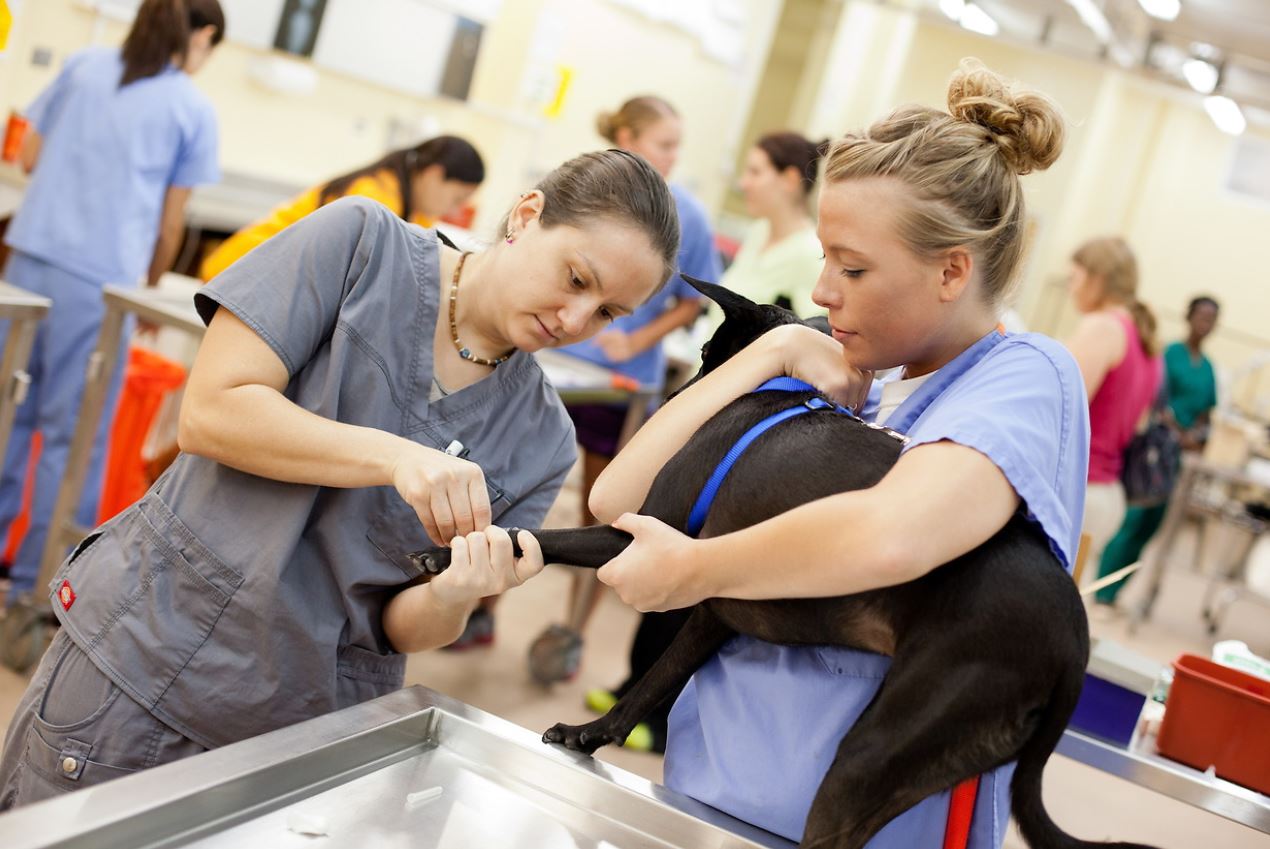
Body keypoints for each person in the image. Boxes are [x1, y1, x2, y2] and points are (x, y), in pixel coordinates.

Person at [0, 148, 679, 809]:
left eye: (607, 314)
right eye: (576, 279)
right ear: (527, 215)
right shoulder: (360, 246)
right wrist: (393, 456)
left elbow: (403, 626)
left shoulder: (543, 438)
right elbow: (210, 412)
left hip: (303, 734)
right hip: (150, 663)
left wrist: (453, 593)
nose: (574, 321)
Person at [586, 60, 1086, 847]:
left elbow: (892, 532)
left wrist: (692, 568)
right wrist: (773, 348)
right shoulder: (849, 368)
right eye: (824, 258)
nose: (823, 289)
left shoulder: (1026, 376)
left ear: (953, 269)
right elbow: (620, 498)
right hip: (710, 783)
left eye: (852, 267)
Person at [0, 0, 224, 602]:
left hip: (26, 261)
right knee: (73, 435)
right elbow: (171, 225)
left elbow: (27, 156)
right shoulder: (191, 107)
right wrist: (147, 290)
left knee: (5, 413)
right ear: (202, 36)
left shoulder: (85, 65)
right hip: (98, 284)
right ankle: (31, 588)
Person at [509, 96, 721, 671]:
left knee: (602, 514)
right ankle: (478, 602)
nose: (674, 157)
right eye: (665, 143)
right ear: (627, 134)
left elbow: (692, 301)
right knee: (506, 483)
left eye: (679, 145)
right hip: (551, 366)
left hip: (622, 382)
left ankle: (570, 631)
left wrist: (633, 339)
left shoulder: (688, 219)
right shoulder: (581, 191)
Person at [199, 135, 483, 281]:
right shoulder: (374, 198)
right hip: (243, 272)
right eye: (457, 198)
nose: (453, 209)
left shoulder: (414, 209)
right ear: (434, 174)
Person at [1094, 295, 1220, 607]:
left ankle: (1116, 591)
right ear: (1188, 317)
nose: (1206, 323)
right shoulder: (1169, 355)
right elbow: (1156, 400)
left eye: (1212, 319)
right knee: (1132, 520)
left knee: (1151, 527)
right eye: (1202, 316)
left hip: (1177, 458)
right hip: (1153, 450)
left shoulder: (1207, 368)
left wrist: (1197, 435)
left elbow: (1206, 411)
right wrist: (1179, 433)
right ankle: (1100, 591)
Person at [1064, 237, 1163, 586]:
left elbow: (1062, 408)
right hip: (1107, 492)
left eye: (1073, 278)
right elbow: (1137, 424)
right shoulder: (1146, 340)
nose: (1070, 289)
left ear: (1096, 279)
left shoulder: (1102, 328)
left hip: (1078, 489)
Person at [713, 131, 826, 319]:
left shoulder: (810, 254)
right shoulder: (758, 231)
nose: (743, 183)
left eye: (755, 172)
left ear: (790, 179)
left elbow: (816, 332)